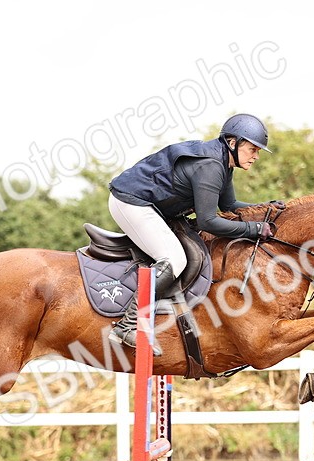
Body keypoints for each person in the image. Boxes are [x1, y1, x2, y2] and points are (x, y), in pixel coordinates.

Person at [107, 113, 285, 352]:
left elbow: (229, 206)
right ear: (232, 143)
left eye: (258, 151)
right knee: (175, 259)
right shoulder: (211, 166)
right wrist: (254, 229)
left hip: (151, 205)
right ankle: (128, 325)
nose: (256, 156)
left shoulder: (223, 162)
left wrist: (264, 208)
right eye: (252, 149)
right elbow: (208, 221)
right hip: (130, 202)